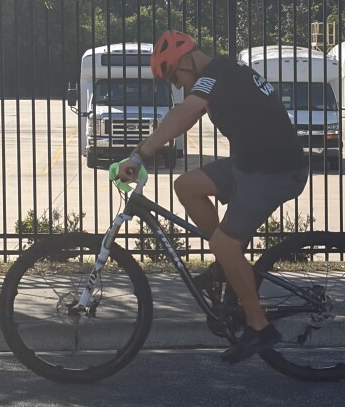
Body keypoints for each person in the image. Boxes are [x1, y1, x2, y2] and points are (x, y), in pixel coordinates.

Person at [118, 29, 308, 364]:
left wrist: (140, 154)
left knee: (224, 243)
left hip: (274, 171)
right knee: (186, 186)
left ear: (187, 60)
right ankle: (227, 267)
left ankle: (259, 325)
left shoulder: (218, 73)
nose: (180, 87)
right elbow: (186, 115)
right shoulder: (220, 75)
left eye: (176, 78)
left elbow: (183, 115)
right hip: (250, 165)